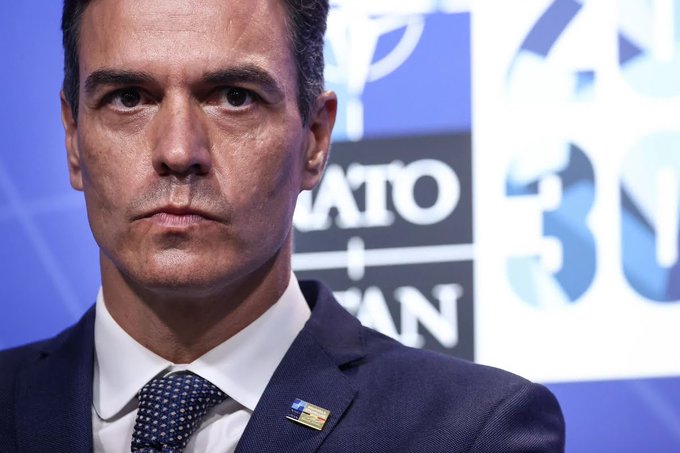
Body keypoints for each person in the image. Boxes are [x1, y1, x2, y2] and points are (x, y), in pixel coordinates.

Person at [0, 0, 565, 451]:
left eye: (234, 98)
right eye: (128, 98)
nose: (178, 151)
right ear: (73, 139)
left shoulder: (471, 432)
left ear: (315, 139)